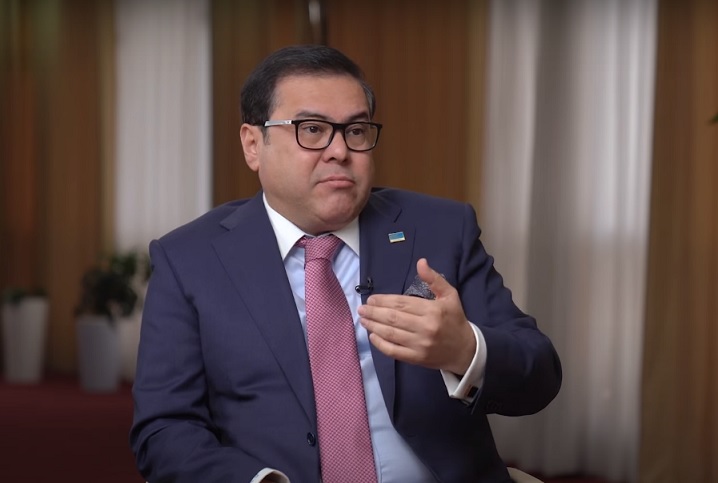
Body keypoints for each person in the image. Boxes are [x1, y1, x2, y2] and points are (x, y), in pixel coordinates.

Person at [130, 44, 561, 483]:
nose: (339, 150)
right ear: (253, 144)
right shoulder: (190, 260)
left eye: (355, 131)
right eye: (312, 129)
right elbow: (165, 430)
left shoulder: (440, 229)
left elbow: (541, 376)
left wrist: (465, 350)